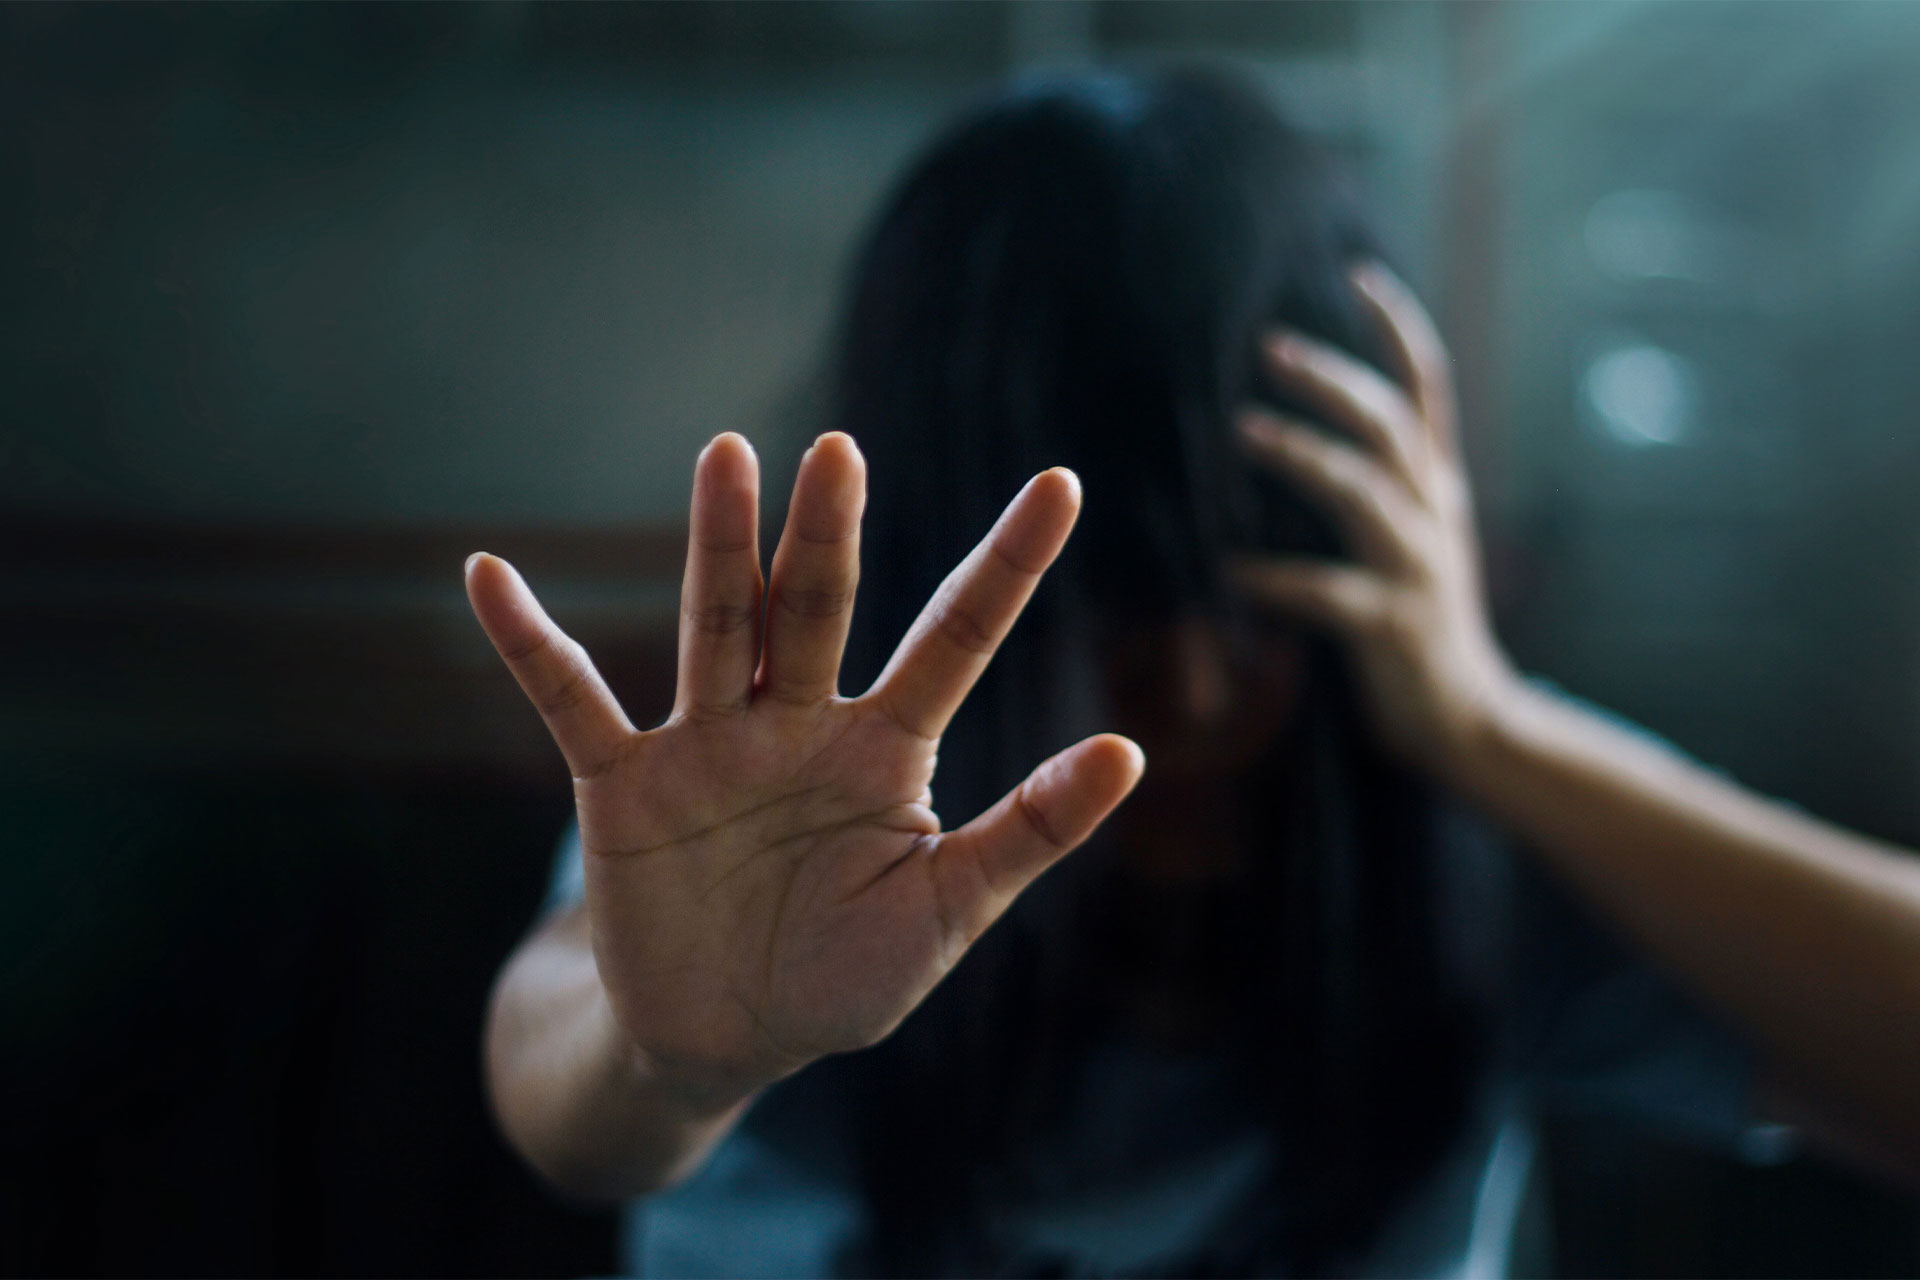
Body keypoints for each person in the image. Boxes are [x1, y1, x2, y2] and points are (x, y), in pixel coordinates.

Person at [467, 68, 1911, 1276]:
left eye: (1276, 602)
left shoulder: (1451, 826)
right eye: (1122, 625)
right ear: (951, 574)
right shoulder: (794, 852)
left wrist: (1491, 726)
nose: (1208, 700)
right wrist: (680, 1061)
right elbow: (569, 1078)